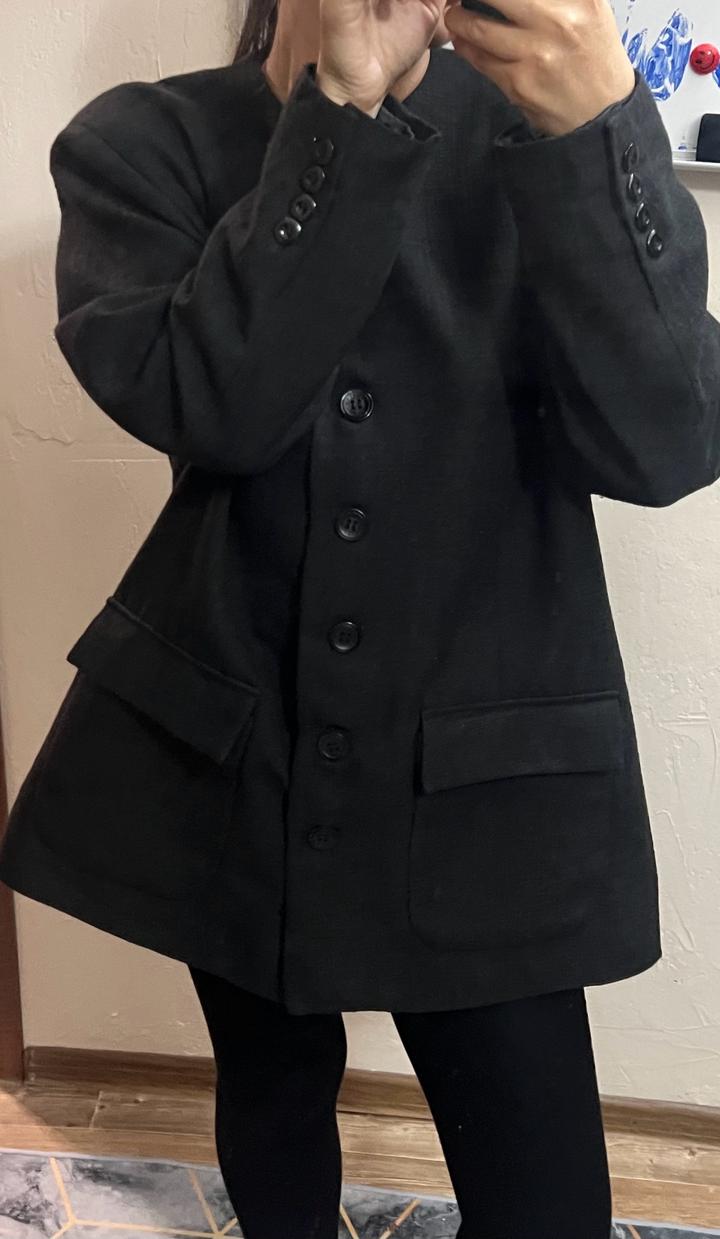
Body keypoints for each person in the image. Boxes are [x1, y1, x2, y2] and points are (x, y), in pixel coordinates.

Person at [1, 0, 718, 1233]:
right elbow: (219, 408)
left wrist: (605, 133)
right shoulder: (143, 143)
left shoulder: (544, 129)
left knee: (543, 1187)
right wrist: (336, 114)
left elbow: (667, 444)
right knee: (272, 1099)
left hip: (491, 771)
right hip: (232, 749)